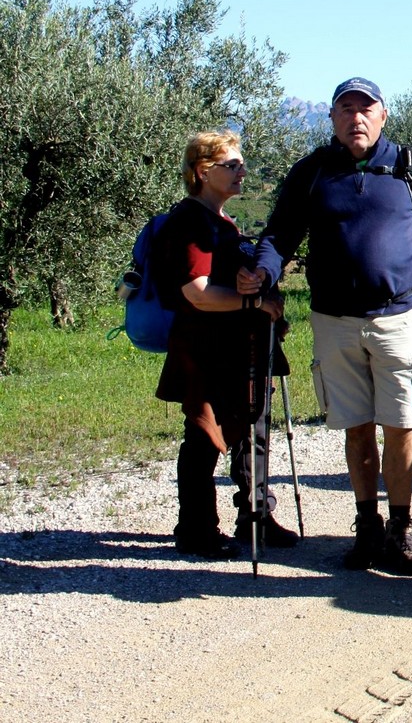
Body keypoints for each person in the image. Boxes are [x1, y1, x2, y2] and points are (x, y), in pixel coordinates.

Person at [248, 77, 412, 576]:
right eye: (346, 109)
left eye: (366, 108)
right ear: (333, 118)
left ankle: (401, 529)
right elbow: (280, 234)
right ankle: (368, 526)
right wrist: (263, 274)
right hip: (333, 320)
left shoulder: (409, 165)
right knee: (356, 428)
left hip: (397, 317)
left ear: (382, 115)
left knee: (401, 425)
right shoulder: (313, 171)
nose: (356, 117)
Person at [156, 131, 297, 558]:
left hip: (239, 349)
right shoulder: (190, 222)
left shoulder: (222, 221)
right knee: (204, 435)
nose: (242, 171)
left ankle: (255, 518)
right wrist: (254, 303)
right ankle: (196, 529)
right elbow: (197, 293)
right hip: (206, 351)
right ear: (202, 171)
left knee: (252, 431)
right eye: (231, 165)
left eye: (241, 164)